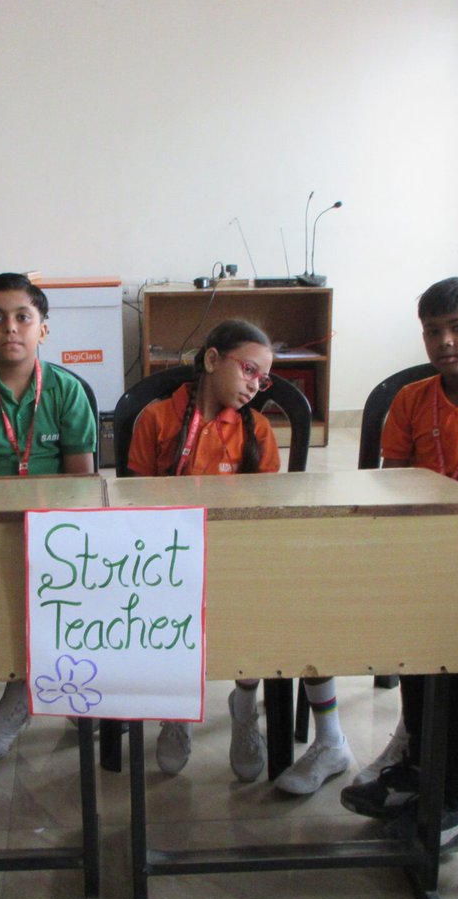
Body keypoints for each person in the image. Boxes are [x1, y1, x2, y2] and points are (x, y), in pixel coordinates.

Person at [339, 276, 458, 850]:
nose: (445, 341)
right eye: (432, 331)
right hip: (412, 548)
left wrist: (439, 559)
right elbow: (393, 486)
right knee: (413, 657)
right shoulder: (409, 400)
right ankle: (417, 767)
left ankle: (452, 798)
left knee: (450, 668)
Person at [125, 319, 355, 793]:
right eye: (249, 370)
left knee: (277, 603)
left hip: (238, 557)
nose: (255, 385)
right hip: (168, 559)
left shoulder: (257, 430)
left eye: (263, 379)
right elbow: (134, 506)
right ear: (212, 360)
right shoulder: (157, 419)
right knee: (165, 608)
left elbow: (266, 514)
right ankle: (176, 709)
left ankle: (245, 708)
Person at [0, 272, 99, 759]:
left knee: (84, 581)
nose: (10, 327)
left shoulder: (67, 391)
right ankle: (28, 686)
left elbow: (81, 485)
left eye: (23, 317)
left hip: (58, 529)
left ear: (42, 329)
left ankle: (51, 683)